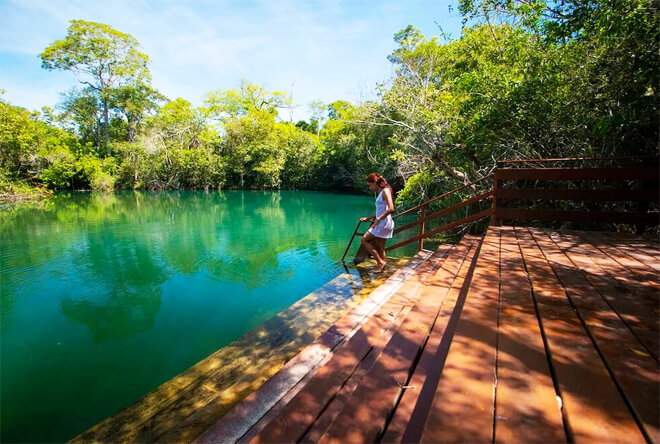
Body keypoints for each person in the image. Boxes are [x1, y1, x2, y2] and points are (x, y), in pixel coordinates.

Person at [360, 173, 395, 271]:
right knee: (381, 248)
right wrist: (368, 218)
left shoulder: (385, 191)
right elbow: (380, 210)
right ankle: (383, 267)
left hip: (383, 223)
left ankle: (380, 262)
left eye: (370, 185)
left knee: (364, 240)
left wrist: (378, 219)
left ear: (375, 182)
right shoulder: (381, 192)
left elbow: (391, 208)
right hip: (384, 222)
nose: (370, 188)